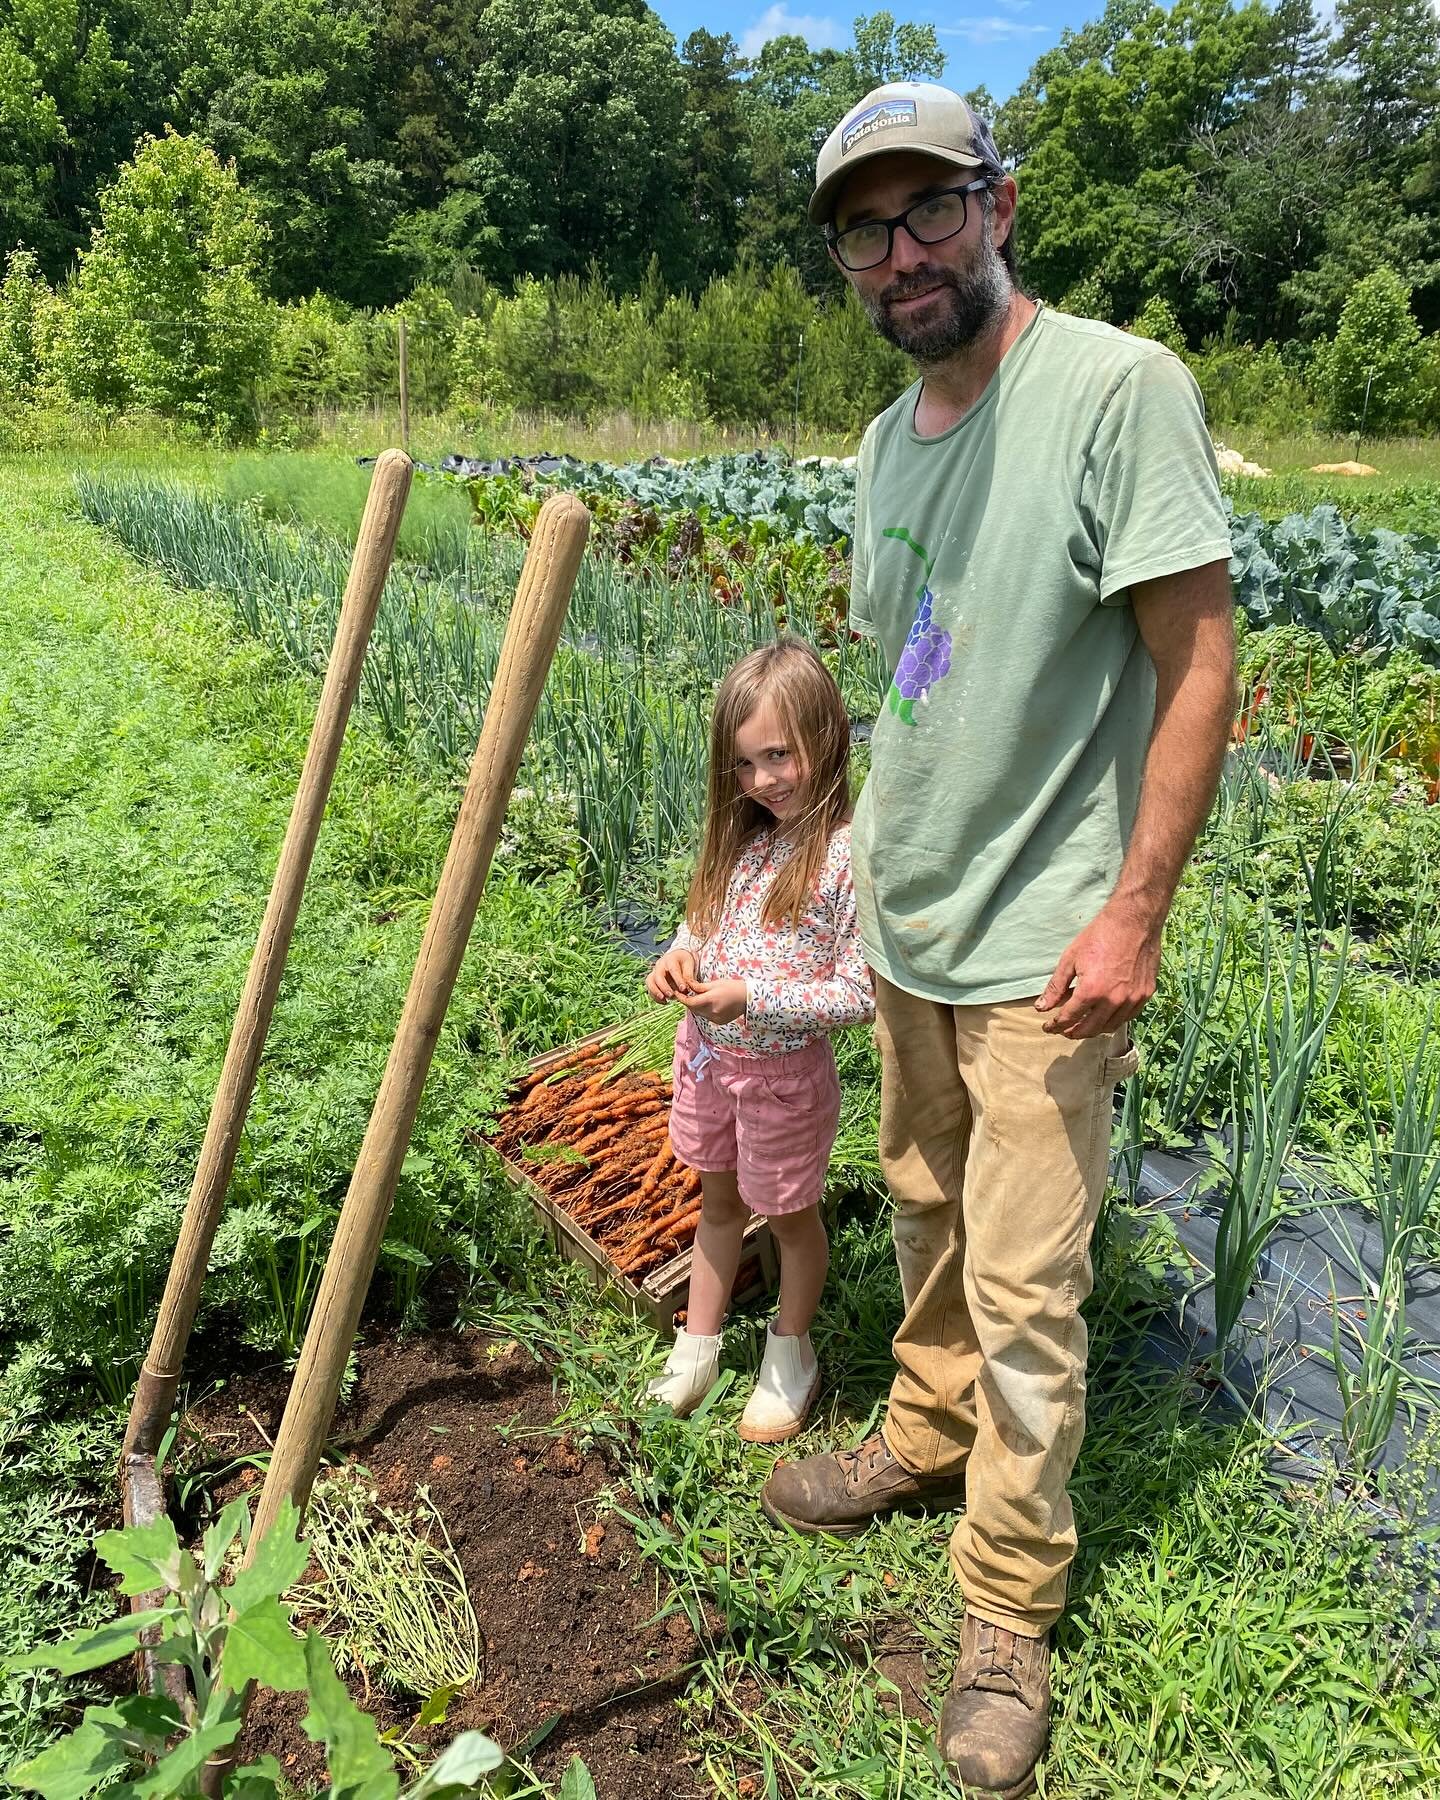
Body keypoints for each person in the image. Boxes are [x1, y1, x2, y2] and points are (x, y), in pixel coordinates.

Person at [759, 82, 1238, 1798]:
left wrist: (1135, 913)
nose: (901, 254)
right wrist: (849, 863)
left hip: (1048, 946)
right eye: (864, 232)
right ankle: (920, 1425)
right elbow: (914, 670)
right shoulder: (887, 442)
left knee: (1031, 1286)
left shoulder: (1114, 390)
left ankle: (1007, 1603)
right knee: (923, 1204)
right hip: (913, 920)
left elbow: (1199, 657)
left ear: (1001, 204)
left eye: (931, 210)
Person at [643, 638, 875, 1442]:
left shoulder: (847, 857)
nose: (763, 781)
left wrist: (752, 998)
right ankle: (698, 1347)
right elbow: (702, 924)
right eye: (743, 765)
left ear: (827, 735)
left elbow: (859, 994)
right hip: (708, 1064)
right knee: (717, 1204)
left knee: (789, 1219)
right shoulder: (745, 840)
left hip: (782, 1084)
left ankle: (789, 1353)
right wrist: (678, 956)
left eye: (779, 755)